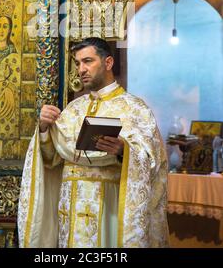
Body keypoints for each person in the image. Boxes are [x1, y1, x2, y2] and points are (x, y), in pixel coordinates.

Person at [18, 37, 169, 248]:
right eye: (78, 63)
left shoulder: (135, 109)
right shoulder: (72, 109)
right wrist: (43, 129)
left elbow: (155, 162)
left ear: (108, 63)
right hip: (69, 211)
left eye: (88, 61)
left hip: (109, 208)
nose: (81, 69)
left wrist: (124, 152)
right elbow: (51, 160)